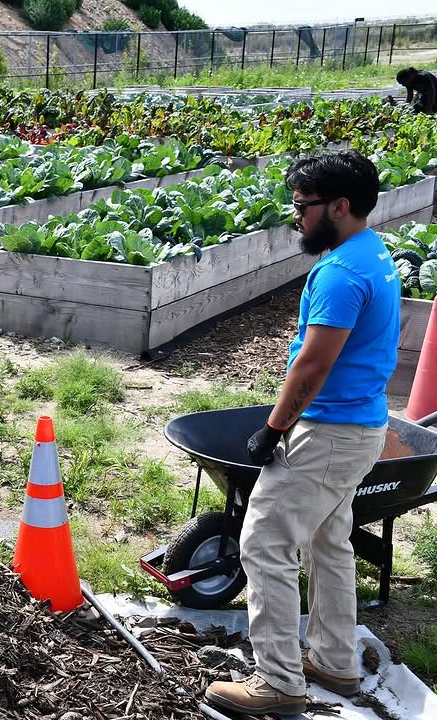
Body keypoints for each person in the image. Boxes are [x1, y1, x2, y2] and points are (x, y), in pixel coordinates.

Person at [204, 150, 398, 715]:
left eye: (303, 205)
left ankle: (278, 683)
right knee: (328, 540)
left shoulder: (340, 274)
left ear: (339, 206)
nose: (296, 216)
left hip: (328, 432)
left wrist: (273, 429)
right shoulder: (372, 251)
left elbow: (313, 366)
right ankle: (335, 661)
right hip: (360, 427)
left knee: (265, 543)